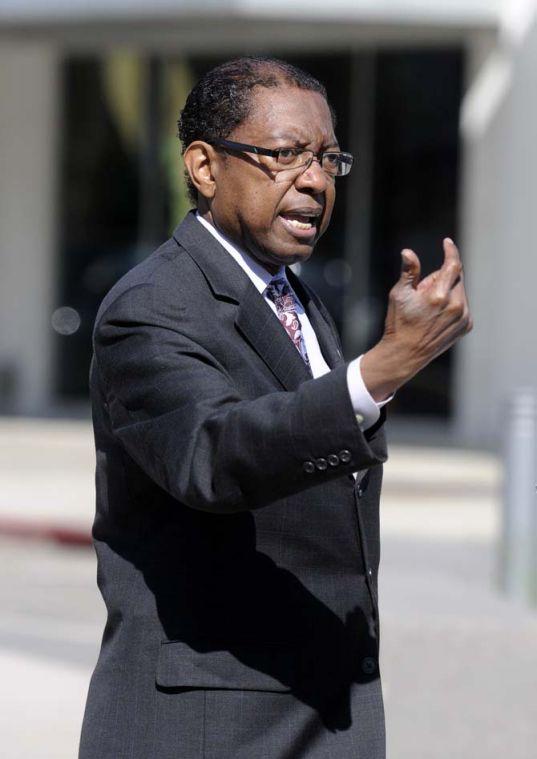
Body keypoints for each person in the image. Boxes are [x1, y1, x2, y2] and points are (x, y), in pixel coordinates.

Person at [79, 57, 471, 759]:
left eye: (327, 158)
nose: (315, 180)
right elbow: (214, 453)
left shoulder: (291, 295)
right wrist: (377, 372)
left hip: (316, 704)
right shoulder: (151, 308)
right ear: (203, 166)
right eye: (285, 154)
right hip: (214, 727)